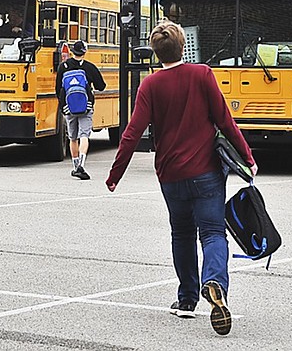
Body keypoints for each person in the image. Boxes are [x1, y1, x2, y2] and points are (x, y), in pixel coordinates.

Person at [105, 21, 257, 336]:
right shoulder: (202, 74)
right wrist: (248, 157)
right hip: (206, 173)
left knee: (182, 235)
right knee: (213, 233)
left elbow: (133, 132)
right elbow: (224, 121)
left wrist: (115, 173)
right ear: (182, 46)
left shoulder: (149, 85)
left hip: (171, 174)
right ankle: (214, 282)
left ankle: (187, 299)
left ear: (156, 52)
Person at [55, 40, 106, 180]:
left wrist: (63, 106)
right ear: (85, 52)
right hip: (86, 107)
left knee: (73, 137)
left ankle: (74, 166)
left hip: (69, 107)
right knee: (84, 135)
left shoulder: (63, 67)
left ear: (72, 51)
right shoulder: (90, 67)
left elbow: (58, 89)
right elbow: (101, 86)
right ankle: (81, 166)